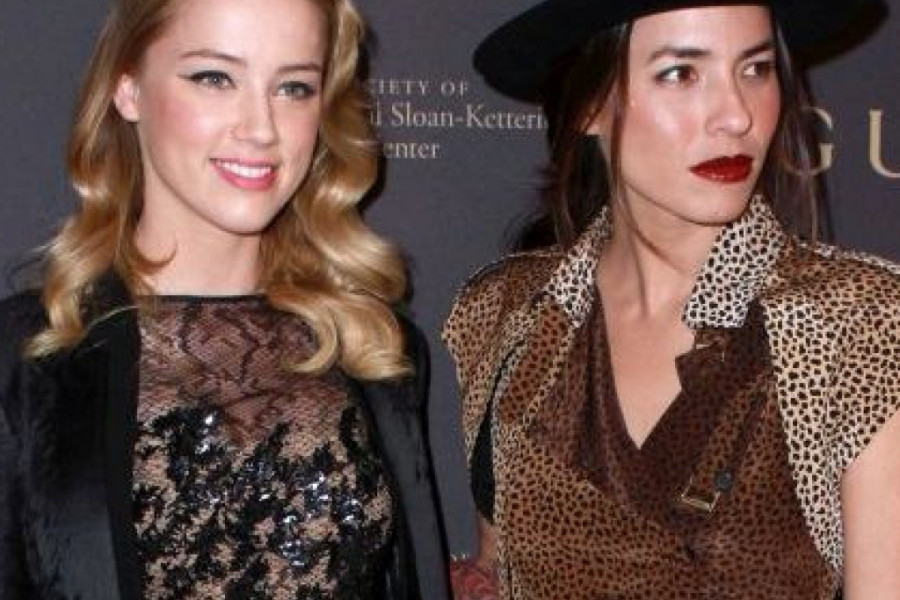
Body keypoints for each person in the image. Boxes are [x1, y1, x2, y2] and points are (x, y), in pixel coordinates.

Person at [443, 0, 900, 598]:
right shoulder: (508, 312)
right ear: (589, 104)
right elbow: (498, 572)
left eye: (756, 69)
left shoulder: (860, 322)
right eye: (681, 73)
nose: (736, 115)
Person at [0, 0, 450, 598]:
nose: (261, 128)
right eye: (215, 77)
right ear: (127, 88)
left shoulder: (374, 351)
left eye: (293, 87)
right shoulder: (27, 358)